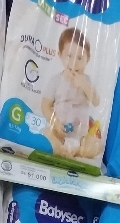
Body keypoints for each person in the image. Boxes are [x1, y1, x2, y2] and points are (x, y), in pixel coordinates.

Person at [42, 28, 102, 160]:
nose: (74, 62)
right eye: (69, 56)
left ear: (88, 59)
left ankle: (78, 151)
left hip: (81, 137)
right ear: (60, 55)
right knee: (45, 134)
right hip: (59, 133)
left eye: (80, 58)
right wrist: (55, 122)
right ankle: (60, 149)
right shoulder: (56, 80)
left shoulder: (87, 81)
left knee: (98, 145)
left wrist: (83, 84)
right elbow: (45, 105)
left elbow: (96, 101)